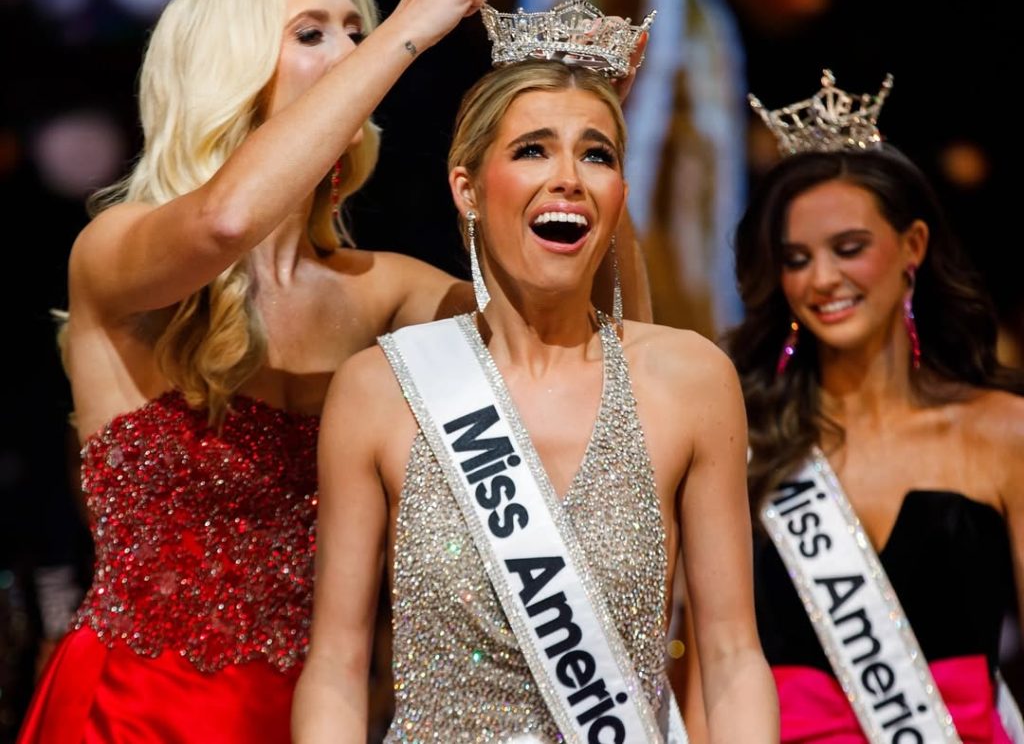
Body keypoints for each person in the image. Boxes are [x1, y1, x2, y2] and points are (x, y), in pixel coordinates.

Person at [14, 0, 520, 744]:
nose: (353, 54)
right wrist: (407, 30)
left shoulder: (381, 289)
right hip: (134, 715)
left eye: (356, 31)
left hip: (315, 716)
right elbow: (225, 220)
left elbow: (580, 348)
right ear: (230, 66)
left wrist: (588, 129)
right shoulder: (116, 250)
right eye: (312, 34)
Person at [292, 39, 779, 742]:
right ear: (466, 188)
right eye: (532, 150)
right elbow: (337, 666)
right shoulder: (380, 390)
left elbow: (732, 658)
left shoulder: (691, 379)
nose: (569, 178)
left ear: (620, 195)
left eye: (597, 154)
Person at [726, 70, 1024, 743]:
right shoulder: (747, 438)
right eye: (797, 259)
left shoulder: (1005, 433)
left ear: (912, 247)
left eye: (849, 249)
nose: (823, 279)